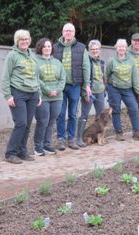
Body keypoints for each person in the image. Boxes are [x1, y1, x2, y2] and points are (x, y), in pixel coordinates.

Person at [2, 29, 41, 164]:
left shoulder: (32, 56)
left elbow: (37, 76)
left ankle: (22, 151)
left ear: (29, 40)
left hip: (33, 94)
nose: (24, 41)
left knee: (28, 124)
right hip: (18, 93)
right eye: (21, 39)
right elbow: (5, 77)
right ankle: (10, 153)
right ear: (17, 41)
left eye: (26, 39)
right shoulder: (12, 56)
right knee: (21, 123)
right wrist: (8, 95)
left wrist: (39, 93)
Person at [53, 22, 91, 150]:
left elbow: (86, 67)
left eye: (70, 31)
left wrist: (86, 85)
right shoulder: (55, 47)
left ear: (74, 33)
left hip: (75, 86)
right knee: (60, 113)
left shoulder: (81, 48)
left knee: (73, 114)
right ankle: (60, 139)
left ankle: (71, 139)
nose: (68, 33)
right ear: (62, 32)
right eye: (66, 31)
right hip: (60, 87)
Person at [106, 39, 139, 142]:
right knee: (116, 111)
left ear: (126, 48)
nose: (121, 48)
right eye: (119, 47)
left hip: (127, 89)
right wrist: (108, 87)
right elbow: (106, 75)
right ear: (116, 48)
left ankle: (137, 132)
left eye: (123, 47)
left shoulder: (131, 61)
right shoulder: (112, 61)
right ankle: (119, 133)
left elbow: (135, 77)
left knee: (134, 108)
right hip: (114, 88)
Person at [33, 38, 66, 156]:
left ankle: (47, 145)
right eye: (45, 46)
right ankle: (38, 147)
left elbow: (63, 78)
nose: (47, 48)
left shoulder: (57, 62)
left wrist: (57, 90)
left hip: (57, 96)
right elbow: (36, 78)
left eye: (49, 46)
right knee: (43, 121)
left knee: (51, 121)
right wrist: (48, 90)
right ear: (40, 48)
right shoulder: (35, 61)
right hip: (43, 96)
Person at [76, 39, 106, 147]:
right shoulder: (87, 61)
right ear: (89, 50)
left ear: (99, 50)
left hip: (100, 92)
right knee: (84, 115)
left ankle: (97, 138)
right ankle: (79, 138)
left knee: (100, 116)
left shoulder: (101, 62)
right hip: (89, 92)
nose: (95, 51)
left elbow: (102, 77)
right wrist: (84, 91)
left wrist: (104, 89)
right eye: (92, 49)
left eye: (97, 49)